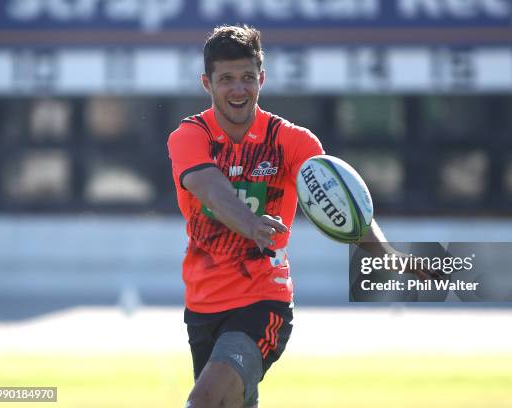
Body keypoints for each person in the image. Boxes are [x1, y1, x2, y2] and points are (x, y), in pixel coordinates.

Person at [167, 24, 431, 408]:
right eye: (227, 79)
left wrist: (386, 252)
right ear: (207, 83)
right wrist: (252, 222)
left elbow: (341, 201)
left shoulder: (293, 141)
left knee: (204, 401)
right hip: (202, 307)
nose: (239, 89)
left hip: (263, 303)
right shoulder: (189, 136)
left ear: (263, 79)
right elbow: (210, 188)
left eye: (247, 78)